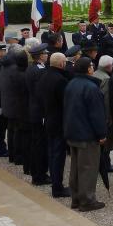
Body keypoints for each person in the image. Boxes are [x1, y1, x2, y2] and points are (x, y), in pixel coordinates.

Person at [64, 57, 107, 212]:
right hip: (86, 134)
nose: (93, 67)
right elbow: (97, 114)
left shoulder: (71, 84)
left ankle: (75, 198)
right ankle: (87, 200)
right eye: (91, 66)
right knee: (88, 168)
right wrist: (101, 134)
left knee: (75, 168)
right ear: (88, 69)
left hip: (73, 131)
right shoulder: (91, 88)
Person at [40, 53, 72, 197]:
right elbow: (65, 102)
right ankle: (57, 187)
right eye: (65, 62)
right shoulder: (60, 80)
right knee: (58, 155)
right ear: (61, 64)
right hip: (59, 121)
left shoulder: (45, 75)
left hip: (49, 119)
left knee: (53, 153)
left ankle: (55, 183)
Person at [26, 43, 51, 186]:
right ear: (40, 56)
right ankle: (39, 175)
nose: (47, 55)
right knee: (40, 144)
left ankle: (38, 173)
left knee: (37, 142)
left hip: (35, 110)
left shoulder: (34, 68)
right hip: (39, 112)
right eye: (45, 53)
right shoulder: (39, 71)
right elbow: (41, 94)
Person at [0, 46, 23, 166]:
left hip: (7, 103)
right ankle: (17, 157)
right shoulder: (15, 68)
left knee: (11, 130)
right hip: (15, 104)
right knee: (17, 131)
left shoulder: (5, 65)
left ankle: (12, 155)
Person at [94, 55, 113, 173]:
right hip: (103, 116)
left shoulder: (95, 74)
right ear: (109, 66)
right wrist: (109, 118)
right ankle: (105, 165)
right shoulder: (106, 79)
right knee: (106, 143)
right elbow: (106, 101)